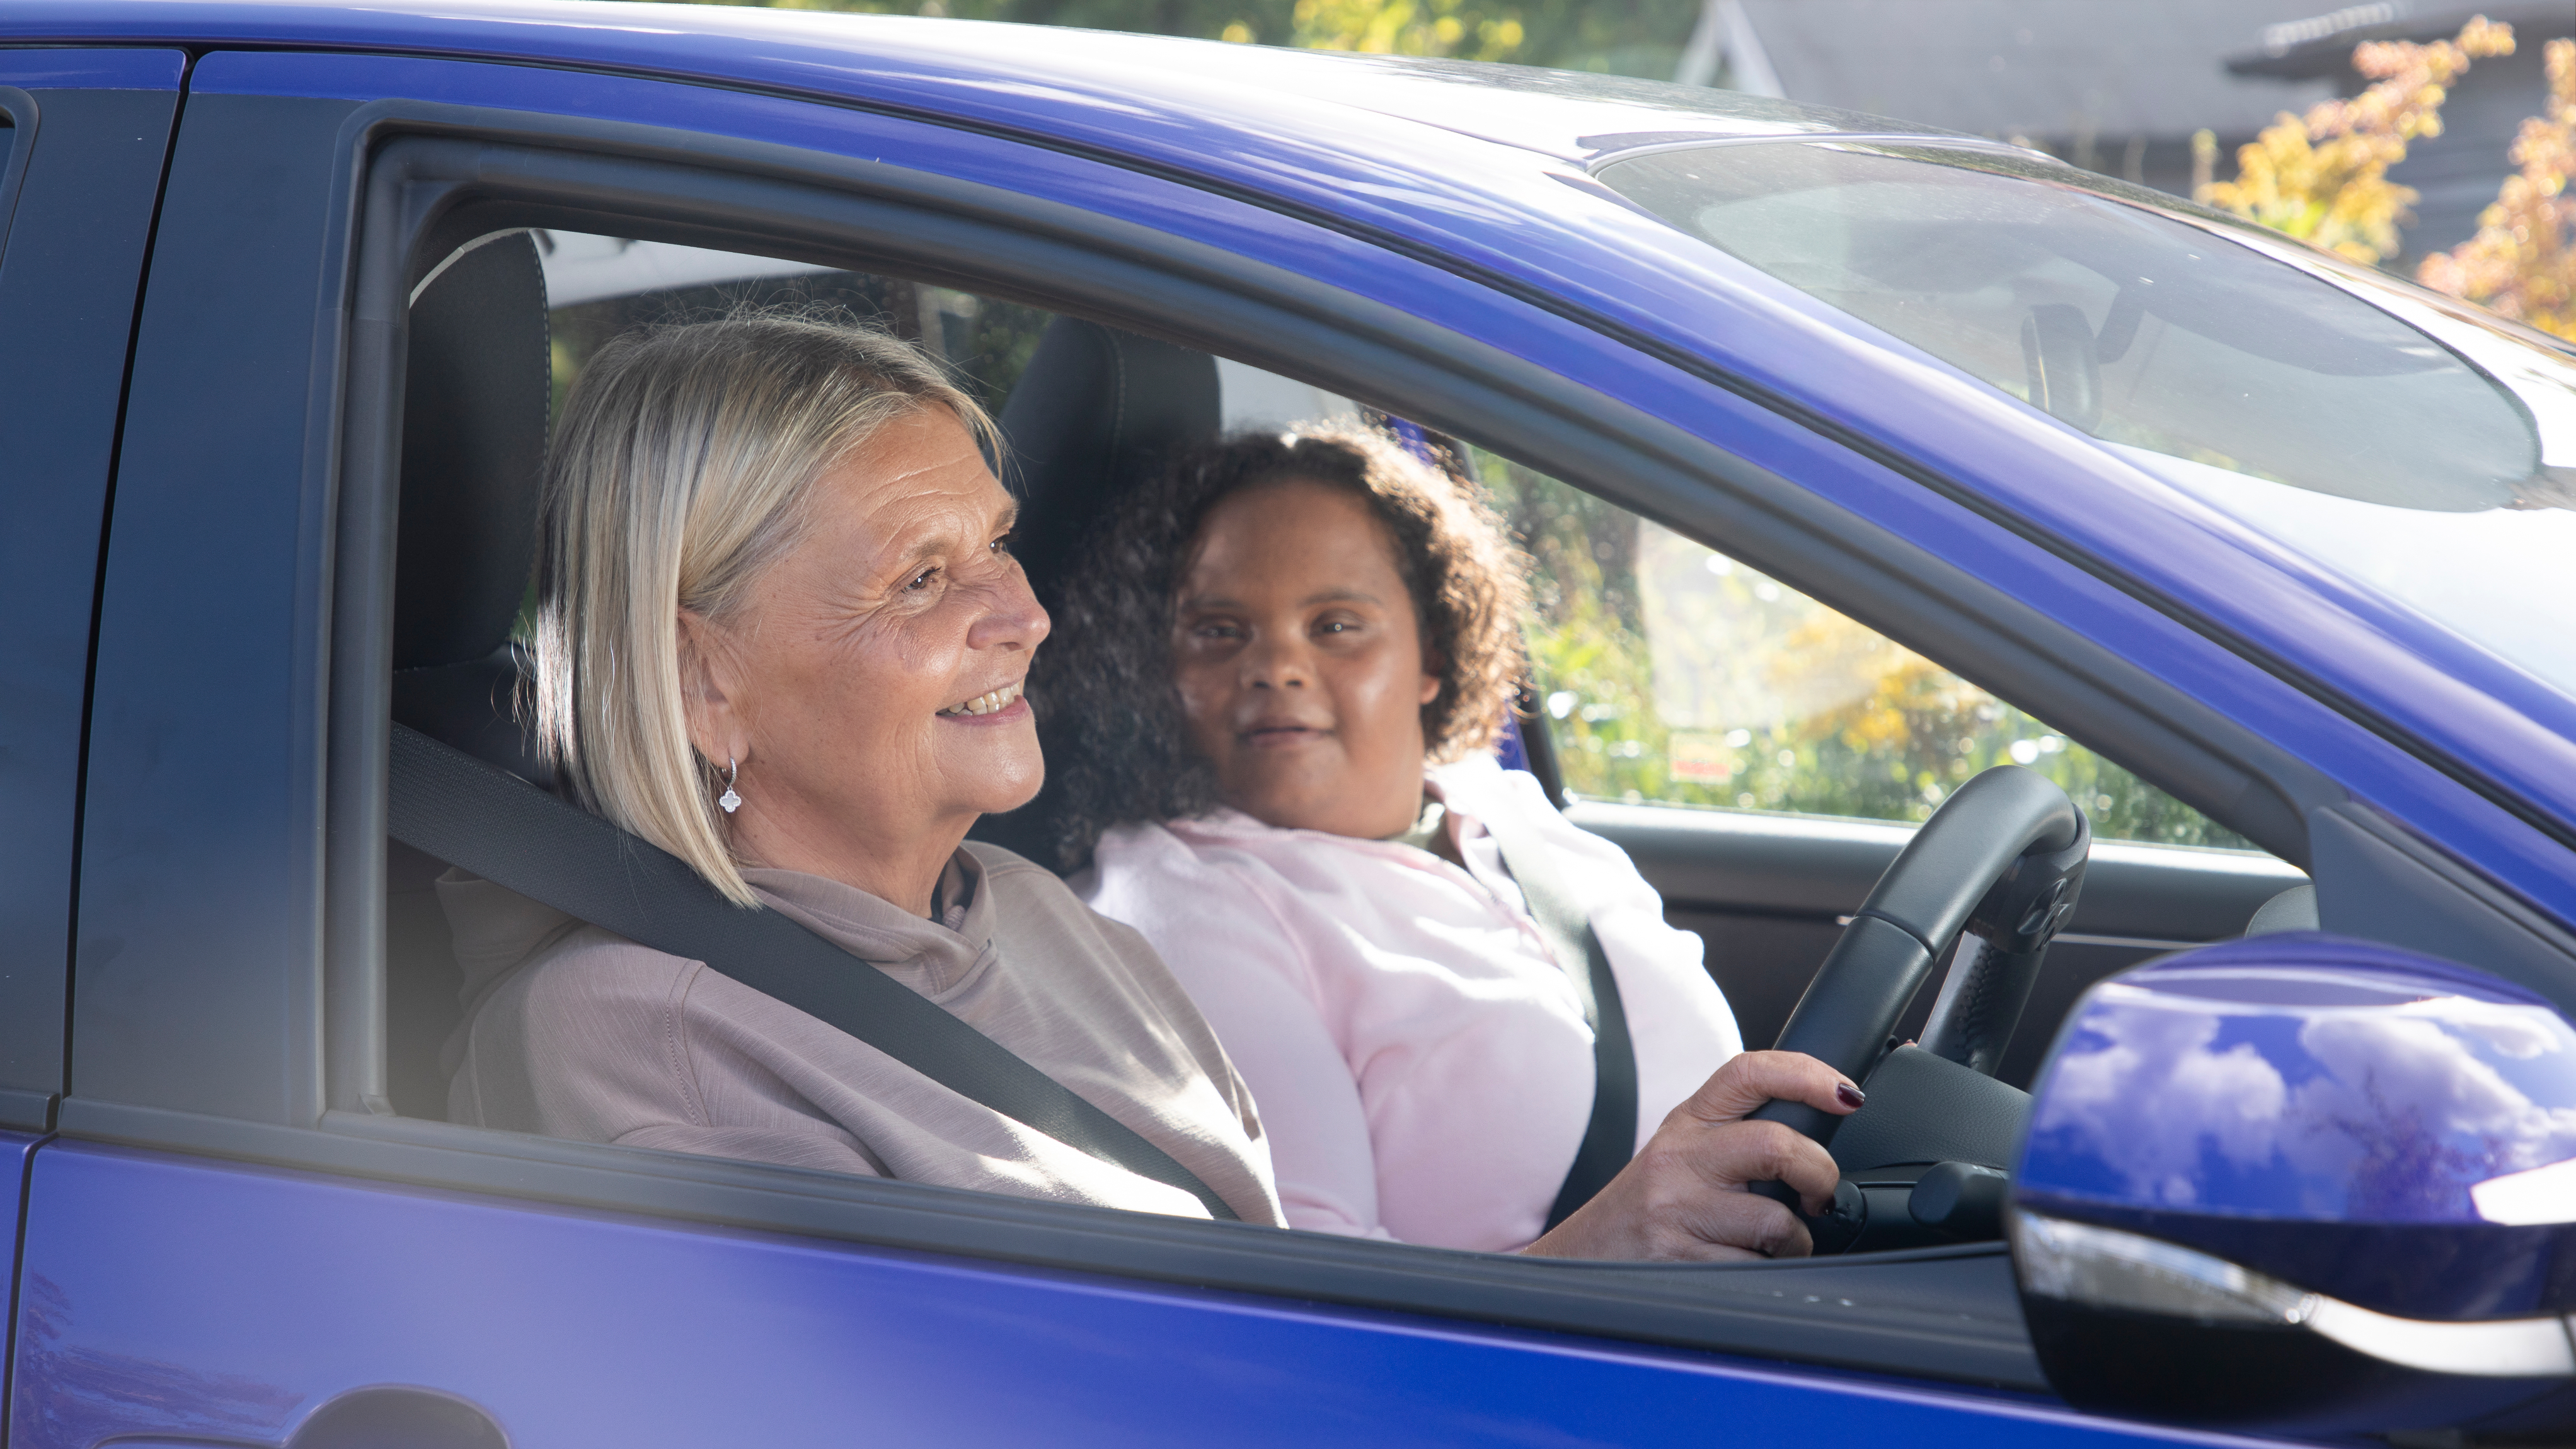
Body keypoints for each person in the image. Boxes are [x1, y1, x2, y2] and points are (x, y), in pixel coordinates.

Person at [440, 315, 1281, 1223]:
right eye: (919, 578)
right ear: (704, 683)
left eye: (997, 544)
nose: (1024, 616)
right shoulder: (645, 1036)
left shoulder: (1041, 912)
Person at [1036, 426, 1856, 1257]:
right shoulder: (1177, 908)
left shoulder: (1501, 810)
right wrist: (1607, 1245)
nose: (1276, 665)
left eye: (1336, 624)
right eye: (1218, 629)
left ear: (1431, 651)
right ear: (1158, 671)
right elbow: (1313, 1306)